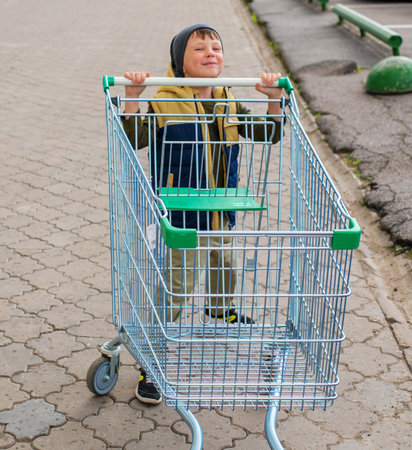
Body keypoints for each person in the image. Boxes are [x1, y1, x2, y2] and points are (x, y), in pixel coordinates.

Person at [121, 23, 285, 405]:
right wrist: (132, 96)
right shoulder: (164, 100)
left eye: (217, 47)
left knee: (226, 263)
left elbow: (267, 133)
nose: (211, 53)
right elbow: (134, 138)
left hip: (221, 209)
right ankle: (152, 355)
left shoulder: (229, 98)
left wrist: (274, 99)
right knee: (179, 285)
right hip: (182, 219)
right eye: (200, 49)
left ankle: (218, 309)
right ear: (180, 63)